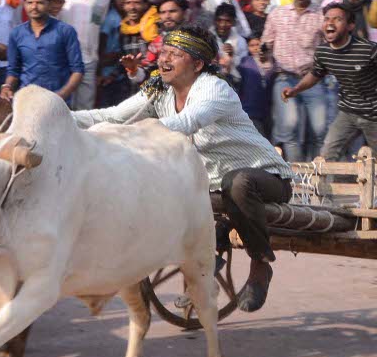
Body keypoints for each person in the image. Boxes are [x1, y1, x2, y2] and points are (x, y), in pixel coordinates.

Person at [74, 26, 292, 312]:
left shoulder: (214, 88)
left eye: (175, 54)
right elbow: (112, 116)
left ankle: (261, 264)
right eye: (164, 52)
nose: (164, 59)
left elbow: (189, 122)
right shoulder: (158, 91)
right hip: (210, 185)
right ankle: (202, 260)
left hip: (265, 178)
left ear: (198, 64)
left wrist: (128, 135)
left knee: (237, 182)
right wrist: (57, 115)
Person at [282, 2, 377, 160]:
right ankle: (334, 185)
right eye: (326, 19)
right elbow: (315, 74)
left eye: (337, 19)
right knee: (328, 154)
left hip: (374, 114)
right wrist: (295, 90)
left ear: (350, 25)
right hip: (348, 112)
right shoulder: (323, 52)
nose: (330, 23)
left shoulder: (368, 50)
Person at [262, 0, 325, 162]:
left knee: (320, 128)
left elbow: (327, 47)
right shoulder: (277, 14)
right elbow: (266, 43)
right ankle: (297, 176)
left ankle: (316, 173)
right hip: (284, 77)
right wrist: (264, 51)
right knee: (290, 126)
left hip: (312, 78)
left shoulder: (321, 15)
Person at [1, 0, 83, 103]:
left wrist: (61, 95)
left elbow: (78, 70)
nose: (34, 7)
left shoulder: (65, 31)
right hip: (27, 100)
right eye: (30, 3)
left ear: (48, 4)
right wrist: (6, 87)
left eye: (39, 3)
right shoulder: (17, 33)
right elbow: (13, 70)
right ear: (24, 4)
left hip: (58, 102)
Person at [60, 0, 113, 110]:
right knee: (61, 105)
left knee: (85, 108)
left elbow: (101, 28)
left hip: (89, 59)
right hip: (63, 56)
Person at [235, 35, 276, 138]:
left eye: (258, 44)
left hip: (268, 110)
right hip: (249, 109)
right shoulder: (245, 62)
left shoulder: (273, 62)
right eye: (251, 45)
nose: (255, 48)